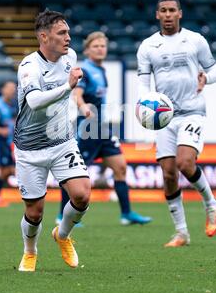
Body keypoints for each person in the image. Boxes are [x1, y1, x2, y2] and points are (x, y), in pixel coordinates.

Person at [137, 0, 216, 247]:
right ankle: (182, 233)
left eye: (172, 10)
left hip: (192, 112)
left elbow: (214, 69)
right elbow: (143, 83)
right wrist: (142, 105)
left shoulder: (195, 40)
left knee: (185, 163)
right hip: (165, 117)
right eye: (163, 10)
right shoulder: (148, 46)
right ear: (157, 15)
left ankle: (210, 202)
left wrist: (206, 77)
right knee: (168, 173)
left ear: (180, 13)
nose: (168, 14)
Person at [14, 9, 91, 272]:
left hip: (62, 142)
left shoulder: (70, 57)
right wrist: (68, 88)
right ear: (44, 37)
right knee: (35, 212)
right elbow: (34, 102)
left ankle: (63, 235)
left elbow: (68, 89)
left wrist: (76, 101)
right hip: (29, 148)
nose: (69, 37)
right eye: (62, 33)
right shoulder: (28, 67)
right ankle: (30, 251)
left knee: (82, 195)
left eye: (68, 31)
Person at [57, 31, 152, 226]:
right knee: (72, 172)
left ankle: (126, 214)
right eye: (96, 46)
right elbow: (77, 94)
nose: (100, 49)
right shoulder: (84, 69)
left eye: (102, 46)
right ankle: (61, 215)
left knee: (120, 167)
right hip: (89, 127)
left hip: (102, 128)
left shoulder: (101, 71)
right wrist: (83, 108)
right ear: (87, 50)